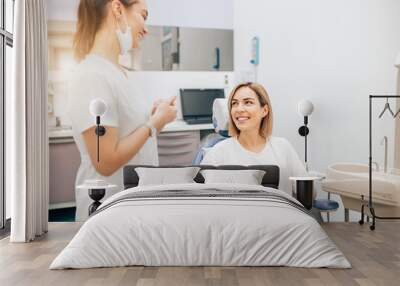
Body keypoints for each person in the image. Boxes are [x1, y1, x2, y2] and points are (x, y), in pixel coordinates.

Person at [67, 0, 177, 221]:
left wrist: (154, 118)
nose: (146, 29)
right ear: (118, 9)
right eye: (143, 16)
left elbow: (129, 133)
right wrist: (153, 124)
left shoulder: (119, 73)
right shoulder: (92, 75)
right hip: (108, 207)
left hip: (132, 203)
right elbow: (105, 160)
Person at [201, 82, 307, 196]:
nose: (239, 109)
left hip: (280, 212)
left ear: (264, 110)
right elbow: (205, 198)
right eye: (234, 103)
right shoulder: (217, 153)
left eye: (248, 102)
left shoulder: (283, 147)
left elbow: (308, 192)